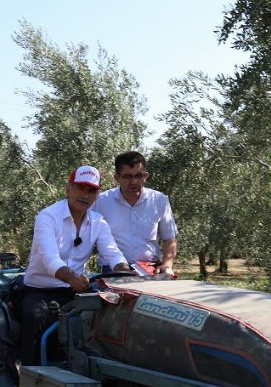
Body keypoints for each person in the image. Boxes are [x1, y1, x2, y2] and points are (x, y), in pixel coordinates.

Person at [20, 165, 129, 367]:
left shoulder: (99, 223)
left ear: (97, 195)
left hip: (75, 292)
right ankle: (31, 377)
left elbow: (113, 253)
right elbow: (49, 259)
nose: (85, 195)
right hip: (40, 291)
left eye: (91, 190)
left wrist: (126, 271)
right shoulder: (47, 217)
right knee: (35, 317)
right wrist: (71, 278)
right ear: (68, 189)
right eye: (80, 188)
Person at [93, 151, 178, 276]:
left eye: (138, 176)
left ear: (145, 176)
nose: (133, 182)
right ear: (117, 178)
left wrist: (167, 265)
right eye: (127, 176)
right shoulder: (101, 202)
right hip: (113, 271)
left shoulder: (159, 200)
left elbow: (169, 239)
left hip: (150, 270)